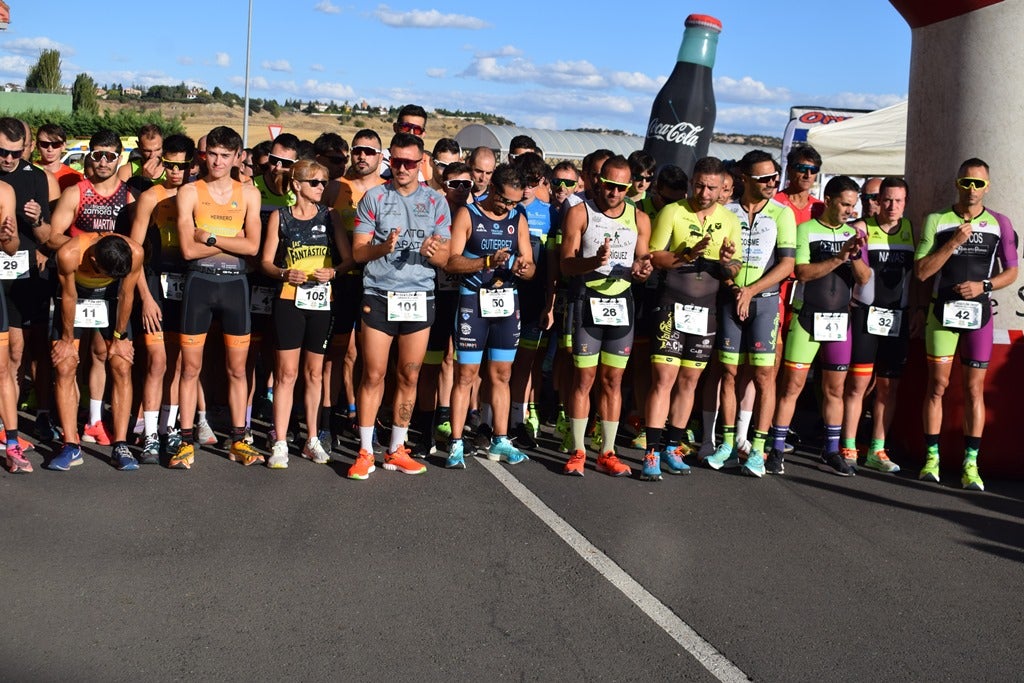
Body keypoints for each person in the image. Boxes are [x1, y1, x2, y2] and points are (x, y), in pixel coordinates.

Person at [347, 132, 451, 480]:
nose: (402, 168)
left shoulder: (436, 202)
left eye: (409, 162)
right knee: (373, 374)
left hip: (419, 298)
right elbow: (359, 252)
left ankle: (396, 448)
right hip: (379, 294)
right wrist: (383, 248)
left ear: (422, 163)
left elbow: (448, 255)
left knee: (409, 374)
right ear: (389, 160)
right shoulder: (373, 198)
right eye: (396, 161)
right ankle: (365, 450)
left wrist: (436, 254)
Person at [913, 158, 1017, 491]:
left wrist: (983, 287)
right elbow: (922, 272)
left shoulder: (1000, 223)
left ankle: (971, 464)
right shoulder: (937, 220)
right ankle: (932, 458)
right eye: (966, 182)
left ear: (987, 187)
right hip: (941, 313)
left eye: (978, 184)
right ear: (957, 183)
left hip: (979, 316)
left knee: (974, 390)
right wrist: (954, 242)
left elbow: (1012, 271)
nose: (972, 189)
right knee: (937, 386)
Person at [642, 157, 741, 481]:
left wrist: (726, 263)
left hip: (706, 309)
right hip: (673, 303)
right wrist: (685, 254)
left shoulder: (729, 219)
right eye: (699, 184)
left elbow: (735, 267)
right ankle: (652, 452)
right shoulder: (673, 212)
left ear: (721, 188)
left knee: (690, 382)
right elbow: (654, 256)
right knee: (664, 379)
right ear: (692, 182)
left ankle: (673, 446)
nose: (704, 192)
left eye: (711, 187)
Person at [170, 126, 263, 470]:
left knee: (237, 370)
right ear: (204, 154)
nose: (219, 161)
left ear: (239, 157)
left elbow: (252, 247)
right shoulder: (190, 192)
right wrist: (230, 239)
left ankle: (239, 439)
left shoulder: (249, 194)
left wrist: (210, 237)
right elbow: (186, 249)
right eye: (213, 154)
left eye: (227, 155)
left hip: (235, 286)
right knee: (190, 367)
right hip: (200, 285)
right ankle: (183, 440)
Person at [767, 176, 868, 476]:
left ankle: (832, 450)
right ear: (829, 199)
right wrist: (839, 257)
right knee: (792, 387)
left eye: (853, 205)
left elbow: (863, 278)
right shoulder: (806, 229)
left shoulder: (854, 233)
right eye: (844, 204)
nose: (849, 210)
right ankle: (776, 447)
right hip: (808, 317)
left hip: (839, 321)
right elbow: (802, 272)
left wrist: (856, 254)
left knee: (835, 389)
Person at [560, 155, 653, 477]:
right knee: (584, 379)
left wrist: (642, 270)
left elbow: (642, 260)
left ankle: (608, 452)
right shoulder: (579, 213)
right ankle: (577, 451)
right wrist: (593, 261)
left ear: (628, 187)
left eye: (620, 187)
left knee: (613, 380)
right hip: (588, 298)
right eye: (608, 185)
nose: (613, 193)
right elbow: (566, 264)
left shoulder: (639, 218)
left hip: (621, 301)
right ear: (598, 181)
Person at [705, 150, 795, 476]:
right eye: (764, 179)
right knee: (728, 373)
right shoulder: (726, 211)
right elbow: (718, 258)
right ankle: (728, 443)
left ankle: (758, 448)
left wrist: (751, 291)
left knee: (763, 376)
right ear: (745, 179)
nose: (773, 183)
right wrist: (734, 287)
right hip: (731, 299)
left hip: (764, 302)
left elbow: (787, 264)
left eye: (775, 177)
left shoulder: (782, 214)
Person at [260, 159, 353, 468]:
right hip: (289, 300)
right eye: (315, 182)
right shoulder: (280, 217)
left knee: (314, 373)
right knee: (286, 373)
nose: (321, 188)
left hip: (321, 302)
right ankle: (280, 442)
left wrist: (334, 272)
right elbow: (266, 263)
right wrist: (285, 274)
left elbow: (348, 259)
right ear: (297, 185)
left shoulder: (331, 217)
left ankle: (312, 438)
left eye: (324, 183)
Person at [444, 163, 536, 468]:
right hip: (473, 302)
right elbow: (452, 263)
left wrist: (524, 269)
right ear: (492, 188)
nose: (508, 207)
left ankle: (501, 439)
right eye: (505, 200)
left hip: (506, 303)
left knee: (502, 375)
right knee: (466, 375)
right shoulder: (468, 214)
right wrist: (485, 260)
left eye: (515, 202)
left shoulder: (517, 218)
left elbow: (531, 265)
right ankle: (456, 442)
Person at [48, 130, 135, 448]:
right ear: (88, 155)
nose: (102, 161)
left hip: (112, 287)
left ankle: (97, 423)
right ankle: (69, 435)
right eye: (96, 154)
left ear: (119, 157)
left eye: (109, 155)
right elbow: (53, 236)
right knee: (67, 359)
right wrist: (86, 246)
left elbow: (137, 248)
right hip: (76, 279)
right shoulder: (76, 192)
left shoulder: (128, 196)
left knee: (110, 356)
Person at [45, 229, 145, 471]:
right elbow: (68, 296)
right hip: (75, 296)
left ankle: (120, 445)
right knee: (65, 365)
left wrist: (120, 337)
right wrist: (68, 341)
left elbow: (126, 293)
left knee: (122, 364)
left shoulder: (135, 252)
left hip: (111, 298)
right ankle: (70, 444)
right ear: (92, 261)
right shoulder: (69, 254)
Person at [128, 134, 195, 463]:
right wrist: (145, 297)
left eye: (182, 166)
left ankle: (170, 430)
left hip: (190, 283)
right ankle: (151, 434)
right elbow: (134, 252)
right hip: (155, 282)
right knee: (157, 363)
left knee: (181, 362)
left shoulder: (199, 195)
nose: (175, 171)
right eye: (169, 165)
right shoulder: (150, 197)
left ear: (192, 165)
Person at [841, 176, 914, 474]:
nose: (892, 206)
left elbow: (918, 275)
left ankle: (877, 449)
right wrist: (857, 251)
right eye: (886, 200)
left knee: (888, 386)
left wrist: (919, 309)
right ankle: (847, 444)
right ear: (877, 201)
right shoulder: (861, 229)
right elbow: (860, 277)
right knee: (857, 384)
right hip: (865, 315)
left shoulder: (910, 229)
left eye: (898, 201)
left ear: (905, 203)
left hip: (898, 316)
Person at [321, 129, 386, 446]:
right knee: (334, 353)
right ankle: (326, 420)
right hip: (339, 281)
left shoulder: (388, 191)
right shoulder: (334, 188)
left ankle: (366, 424)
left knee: (370, 359)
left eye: (369, 151)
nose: (362, 156)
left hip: (376, 283)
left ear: (380, 156)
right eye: (357, 150)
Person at [0, 117, 57, 446]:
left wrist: (36, 220)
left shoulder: (37, 178)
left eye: (15, 153)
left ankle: (40, 416)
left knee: (30, 350)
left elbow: (47, 236)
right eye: (2, 152)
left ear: (25, 148)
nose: (8, 159)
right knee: (8, 353)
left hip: (26, 272)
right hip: (2, 277)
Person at [412, 161, 473, 455]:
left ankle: (446, 417)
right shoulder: (434, 210)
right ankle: (425, 428)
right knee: (431, 362)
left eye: (467, 185)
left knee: (454, 360)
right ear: (443, 185)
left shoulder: (475, 214)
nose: (461, 189)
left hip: (463, 295)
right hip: (434, 293)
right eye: (454, 184)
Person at [506, 153, 556, 448]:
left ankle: (517, 420)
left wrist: (549, 304)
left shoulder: (550, 213)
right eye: (523, 182)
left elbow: (551, 267)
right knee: (497, 363)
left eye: (533, 183)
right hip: (503, 294)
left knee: (524, 363)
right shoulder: (502, 207)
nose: (527, 189)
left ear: (541, 182)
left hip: (534, 297)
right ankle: (488, 418)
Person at [0, 184, 28, 471]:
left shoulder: (6, 191)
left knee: (3, 368)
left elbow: (12, 248)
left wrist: (6, 238)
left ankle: (11, 443)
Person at [775, 145, 825, 225]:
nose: (808, 175)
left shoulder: (821, 208)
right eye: (802, 168)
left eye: (813, 170)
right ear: (789, 169)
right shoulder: (774, 202)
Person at [35, 123, 83, 192]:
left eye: (55, 144)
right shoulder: (28, 172)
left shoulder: (75, 178)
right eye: (44, 144)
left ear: (63, 146)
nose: (50, 149)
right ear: (37, 146)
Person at [117, 123, 164, 188]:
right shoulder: (127, 171)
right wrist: (144, 180)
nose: (152, 155)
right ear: (138, 145)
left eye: (157, 149)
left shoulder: (171, 169)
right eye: (147, 151)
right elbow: (122, 197)